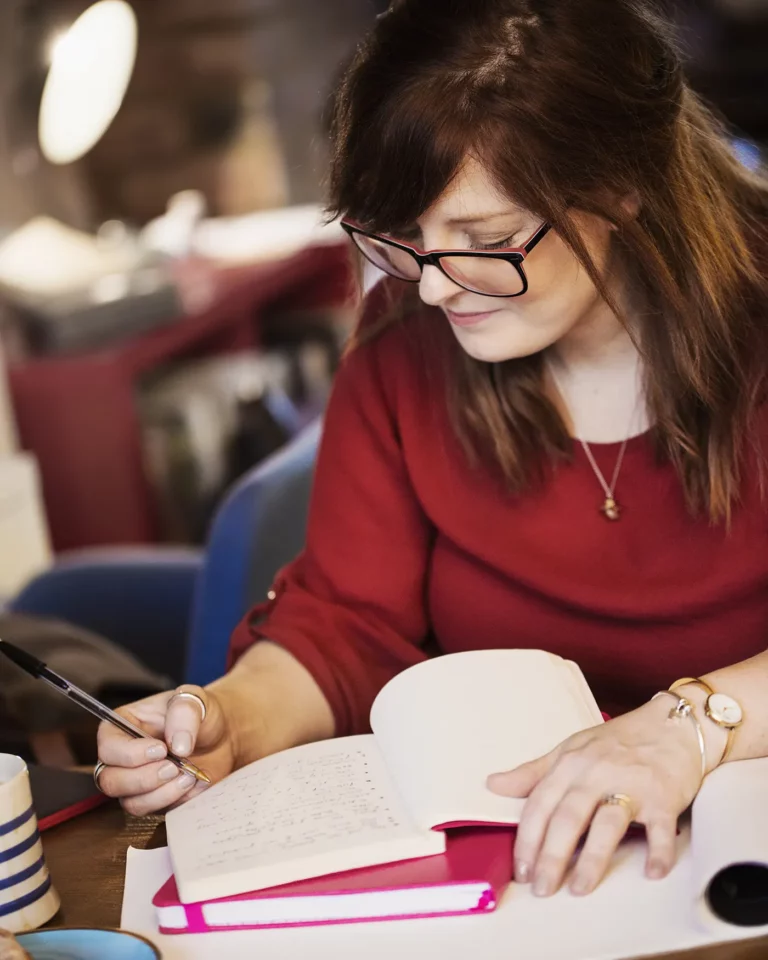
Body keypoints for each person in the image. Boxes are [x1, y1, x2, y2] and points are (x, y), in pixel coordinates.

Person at [96, 0, 768, 900]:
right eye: (406, 238)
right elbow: (342, 621)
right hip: (525, 878)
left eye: (487, 242)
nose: (438, 290)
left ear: (620, 184)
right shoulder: (405, 336)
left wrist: (691, 726)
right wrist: (230, 717)